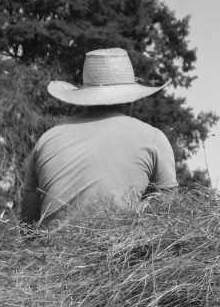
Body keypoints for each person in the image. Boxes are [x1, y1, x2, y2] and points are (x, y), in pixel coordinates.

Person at [19, 48, 177, 225]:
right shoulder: (153, 138)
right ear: (131, 98)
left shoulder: (47, 139)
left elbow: (27, 227)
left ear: (85, 98)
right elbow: (168, 220)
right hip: (120, 251)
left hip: (48, 252)